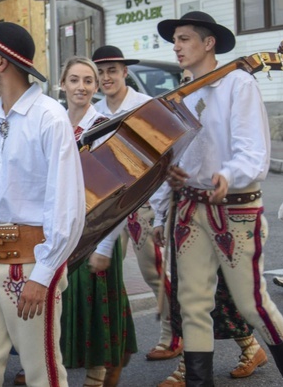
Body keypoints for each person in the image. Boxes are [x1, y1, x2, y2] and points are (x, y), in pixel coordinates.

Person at [151, 11, 283, 385]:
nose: (176, 46)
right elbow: (177, 155)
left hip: (236, 209)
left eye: (183, 39)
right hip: (189, 207)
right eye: (174, 40)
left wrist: (226, 175)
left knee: (252, 304)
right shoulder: (181, 91)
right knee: (192, 306)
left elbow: (253, 152)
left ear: (208, 43)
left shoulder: (238, 84)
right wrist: (169, 183)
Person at [0, 22, 85, 387]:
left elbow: (66, 203)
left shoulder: (49, 117)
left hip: (29, 265)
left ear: (1, 63)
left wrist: (45, 273)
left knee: (42, 373)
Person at [91, 45, 183, 362]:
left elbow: (161, 162)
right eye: (101, 72)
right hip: (115, 205)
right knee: (108, 272)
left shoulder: (145, 107)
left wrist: (159, 215)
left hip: (146, 203)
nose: (106, 77)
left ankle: (174, 336)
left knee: (154, 272)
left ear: (125, 72)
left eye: (112, 70)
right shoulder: (97, 113)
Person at [58, 57, 138, 387]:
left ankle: (99, 373)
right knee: (69, 302)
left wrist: (105, 244)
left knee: (99, 304)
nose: (82, 87)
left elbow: (121, 192)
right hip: (64, 228)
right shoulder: (54, 124)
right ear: (62, 84)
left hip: (98, 230)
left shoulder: (104, 126)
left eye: (88, 81)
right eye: (74, 80)